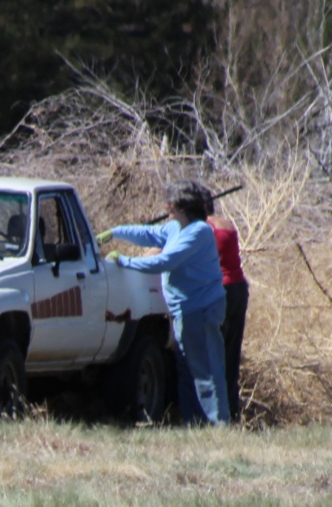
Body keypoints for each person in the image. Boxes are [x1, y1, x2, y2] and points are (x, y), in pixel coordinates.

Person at [98, 179, 230, 425]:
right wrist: (115, 232)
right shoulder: (174, 228)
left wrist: (125, 261)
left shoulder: (199, 232)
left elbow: (165, 261)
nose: (166, 208)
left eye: (171, 205)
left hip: (200, 309)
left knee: (206, 371)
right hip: (184, 311)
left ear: (181, 207)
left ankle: (217, 426)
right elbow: (148, 233)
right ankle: (194, 423)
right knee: (187, 370)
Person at [206, 206, 249, 423]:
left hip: (218, 292)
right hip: (238, 288)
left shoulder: (203, 228)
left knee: (213, 356)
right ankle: (232, 414)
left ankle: (216, 416)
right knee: (231, 356)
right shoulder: (226, 225)